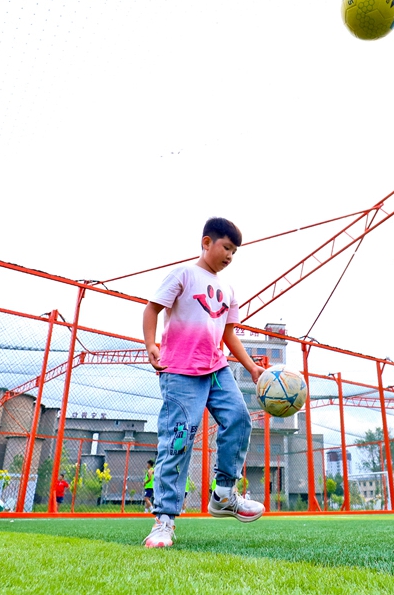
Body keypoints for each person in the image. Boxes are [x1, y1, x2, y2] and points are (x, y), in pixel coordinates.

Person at [141, 217, 266, 548]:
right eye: (226, 248)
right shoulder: (183, 275)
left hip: (216, 369)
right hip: (180, 371)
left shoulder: (229, 290)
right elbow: (152, 309)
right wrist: (151, 344)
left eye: (235, 252)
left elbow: (229, 334)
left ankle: (224, 493)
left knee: (239, 418)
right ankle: (164, 520)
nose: (230, 256)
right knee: (179, 440)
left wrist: (251, 367)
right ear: (207, 242)